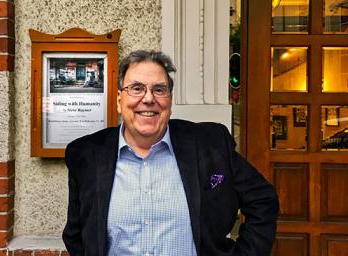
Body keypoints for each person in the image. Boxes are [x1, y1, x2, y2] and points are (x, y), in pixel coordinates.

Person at [63, 50, 279, 256]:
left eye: (159, 89)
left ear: (169, 101)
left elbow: (263, 201)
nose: (148, 99)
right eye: (137, 88)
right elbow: (76, 235)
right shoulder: (86, 155)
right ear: (120, 101)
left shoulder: (209, 144)